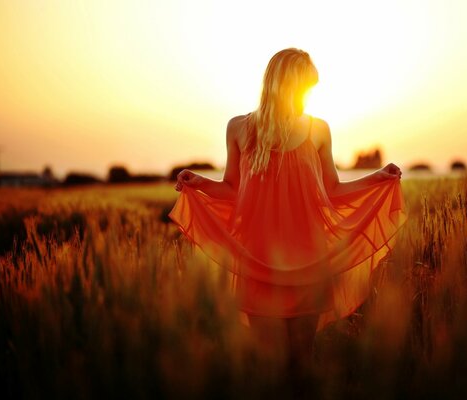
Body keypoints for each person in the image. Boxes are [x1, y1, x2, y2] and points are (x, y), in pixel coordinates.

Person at [169, 48, 406, 372]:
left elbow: (332, 190)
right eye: (305, 87)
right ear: (284, 85)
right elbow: (232, 188)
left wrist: (377, 178)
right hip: (257, 261)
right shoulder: (238, 128)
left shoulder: (318, 129)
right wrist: (199, 181)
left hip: (310, 262)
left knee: (301, 363)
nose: (308, 95)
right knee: (269, 366)